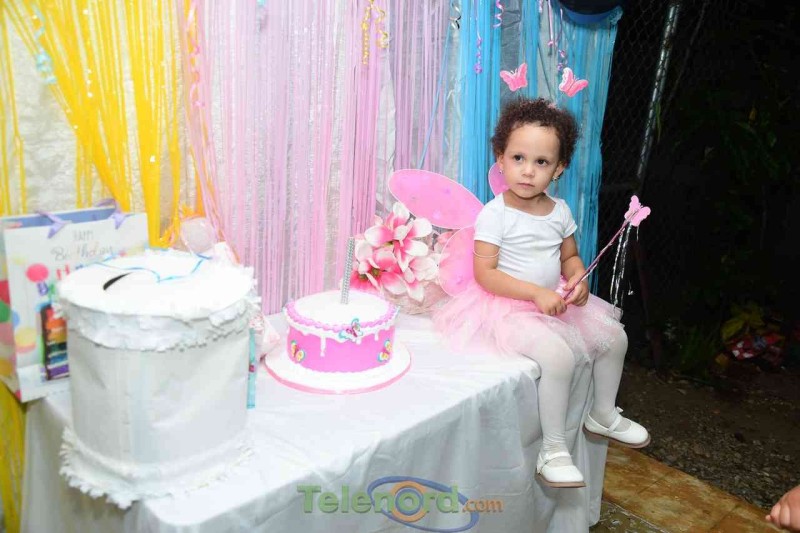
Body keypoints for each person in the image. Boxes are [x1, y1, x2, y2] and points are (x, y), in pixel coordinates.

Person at [434, 97, 649, 488]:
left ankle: (602, 413)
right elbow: (486, 275)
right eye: (518, 158)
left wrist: (578, 278)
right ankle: (553, 449)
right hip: (506, 307)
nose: (528, 171)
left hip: (551, 300)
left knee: (616, 337)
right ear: (500, 159)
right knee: (558, 356)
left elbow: (569, 257)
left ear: (559, 168)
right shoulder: (495, 214)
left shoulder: (559, 211)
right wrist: (535, 292)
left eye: (541, 162)